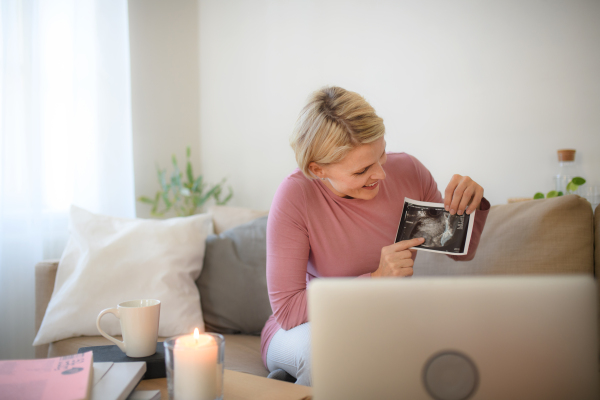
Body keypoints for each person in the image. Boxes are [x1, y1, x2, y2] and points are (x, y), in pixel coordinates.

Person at [260, 86, 490, 386]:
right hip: (306, 329)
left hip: (383, 321)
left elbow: (459, 249)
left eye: (381, 156)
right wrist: (377, 278)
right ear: (318, 169)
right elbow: (289, 311)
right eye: (362, 170)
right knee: (330, 354)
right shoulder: (296, 196)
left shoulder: (407, 170)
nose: (381, 174)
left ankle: (291, 383)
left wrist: (473, 205)